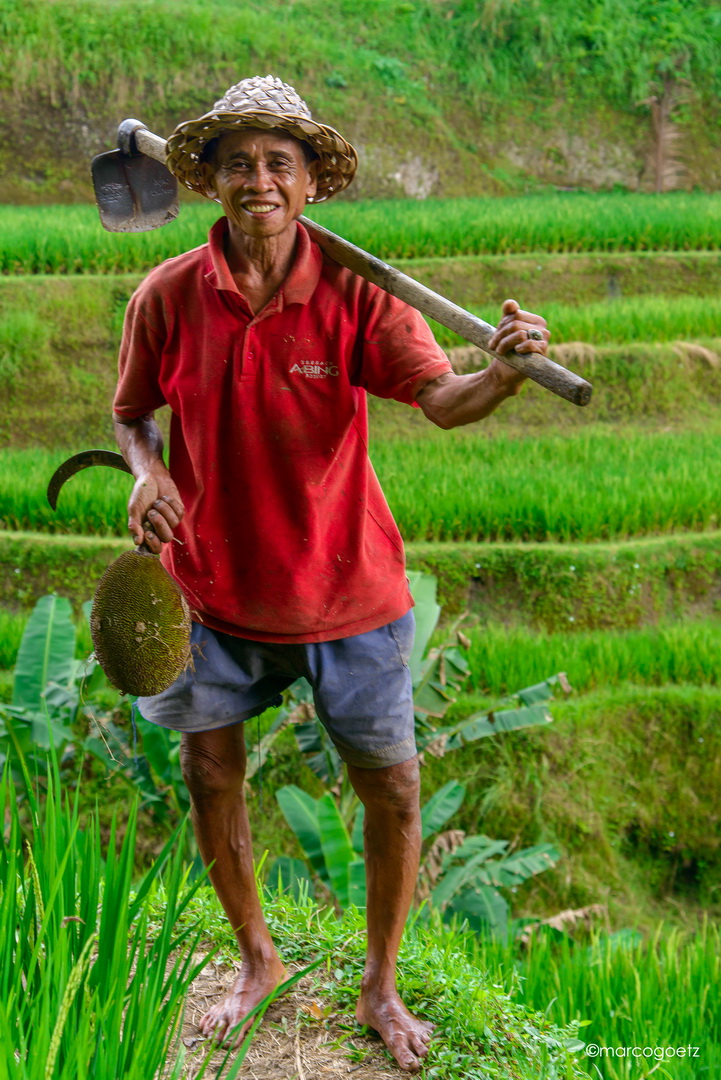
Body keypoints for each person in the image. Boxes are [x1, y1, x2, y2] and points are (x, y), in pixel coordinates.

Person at [112, 75, 550, 1074]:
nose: (257, 180)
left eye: (278, 163)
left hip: (348, 590)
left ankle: (381, 987)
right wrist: (144, 475)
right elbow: (132, 413)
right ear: (213, 182)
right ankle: (257, 960)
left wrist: (503, 374)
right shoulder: (170, 296)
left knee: (392, 789)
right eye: (238, 164)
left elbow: (442, 395)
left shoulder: (356, 294)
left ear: (310, 185)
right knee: (209, 771)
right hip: (212, 587)